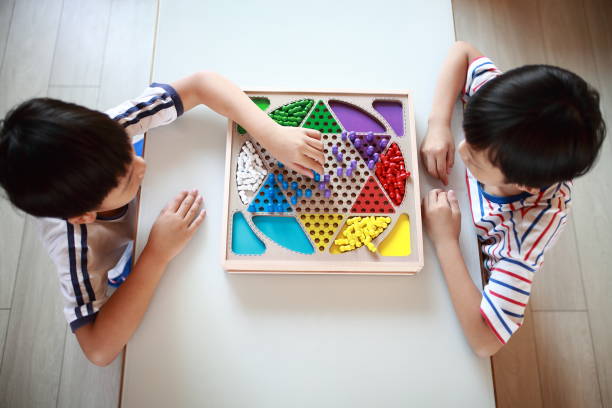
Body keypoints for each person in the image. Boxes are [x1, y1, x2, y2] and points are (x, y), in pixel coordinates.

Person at [0, 71, 325, 366]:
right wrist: (156, 252)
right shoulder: (75, 249)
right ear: (84, 215)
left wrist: (270, 132)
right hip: (134, 258)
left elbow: (201, 85)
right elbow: (98, 349)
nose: (141, 165)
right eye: (127, 178)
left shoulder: (111, 130)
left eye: (129, 151)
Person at [420, 41, 605, 356]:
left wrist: (445, 241)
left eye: (476, 162)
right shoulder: (504, 112)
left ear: (524, 185)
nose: (462, 149)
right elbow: (462, 52)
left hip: (472, 245)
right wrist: (438, 124)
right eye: (469, 132)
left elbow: (486, 341)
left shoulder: (521, 241)